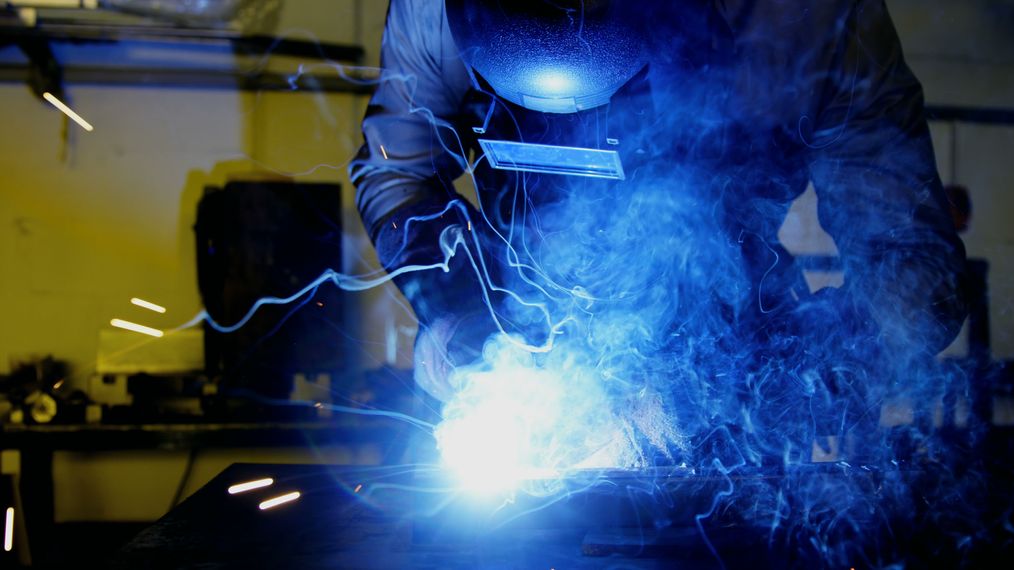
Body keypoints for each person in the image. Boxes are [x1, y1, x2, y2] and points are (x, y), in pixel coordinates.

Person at [349, 0, 968, 410]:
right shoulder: (431, 11)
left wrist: (761, 380)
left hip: (731, 355)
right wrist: (456, 308)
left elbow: (914, 274)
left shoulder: (813, 21)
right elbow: (397, 170)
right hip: (526, 334)